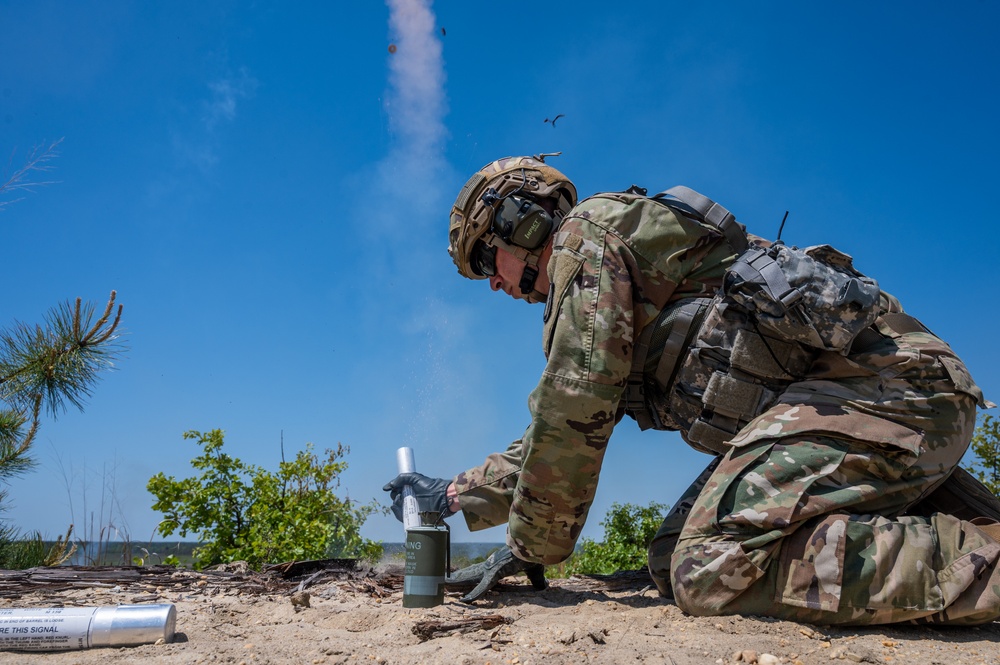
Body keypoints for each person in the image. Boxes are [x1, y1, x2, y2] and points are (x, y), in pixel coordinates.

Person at [383, 154, 999, 625]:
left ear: (521, 225)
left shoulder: (586, 238)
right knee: (672, 553)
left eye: (489, 262)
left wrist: (530, 542)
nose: (494, 284)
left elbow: (574, 407)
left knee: (707, 568)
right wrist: (456, 495)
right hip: (869, 408)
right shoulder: (613, 263)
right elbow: (559, 430)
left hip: (894, 395)